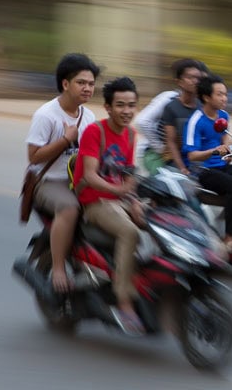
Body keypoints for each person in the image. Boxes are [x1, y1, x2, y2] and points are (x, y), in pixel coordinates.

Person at [72, 76, 145, 335]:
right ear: (108, 107)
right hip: (94, 202)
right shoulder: (96, 131)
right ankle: (124, 300)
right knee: (130, 232)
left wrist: (134, 200)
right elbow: (90, 176)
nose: (127, 111)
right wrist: (120, 191)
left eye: (131, 105)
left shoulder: (132, 134)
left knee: (161, 220)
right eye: (120, 105)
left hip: (119, 200)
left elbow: (129, 173)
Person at [25, 53, 99, 293]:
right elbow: (34, 157)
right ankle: (58, 268)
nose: (88, 88)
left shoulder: (88, 117)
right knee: (69, 208)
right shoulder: (46, 115)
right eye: (81, 83)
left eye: (91, 83)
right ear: (65, 84)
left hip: (77, 179)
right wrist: (65, 140)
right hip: (49, 182)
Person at [182, 74, 232, 253]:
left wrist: (229, 152)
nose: (224, 98)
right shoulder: (196, 121)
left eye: (225, 94)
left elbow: (225, 142)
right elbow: (192, 156)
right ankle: (230, 237)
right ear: (207, 97)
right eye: (219, 94)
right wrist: (214, 151)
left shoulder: (223, 116)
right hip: (201, 170)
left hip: (221, 166)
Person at [136, 59, 208, 175]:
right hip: (154, 153)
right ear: (179, 81)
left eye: (199, 79)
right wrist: (161, 148)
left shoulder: (202, 106)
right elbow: (142, 121)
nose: (196, 82)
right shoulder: (169, 98)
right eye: (191, 77)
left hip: (182, 156)